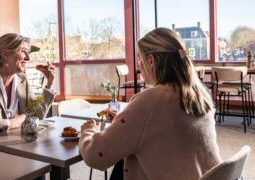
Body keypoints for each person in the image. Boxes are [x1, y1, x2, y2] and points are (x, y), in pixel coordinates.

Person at [79, 28, 222, 180]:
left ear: (151, 61)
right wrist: (124, 122)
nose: (138, 65)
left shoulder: (149, 100)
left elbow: (96, 156)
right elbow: (165, 130)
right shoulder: (200, 94)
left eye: (139, 58)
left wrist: (88, 130)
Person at [0, 33, 56, 137]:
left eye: (28, 52)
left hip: (13, 143)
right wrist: (11, 123)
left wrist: (49, 84)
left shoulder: (22, 80)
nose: (28, 57)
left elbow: (35, 115)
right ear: (5, 55)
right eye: (23, 51)